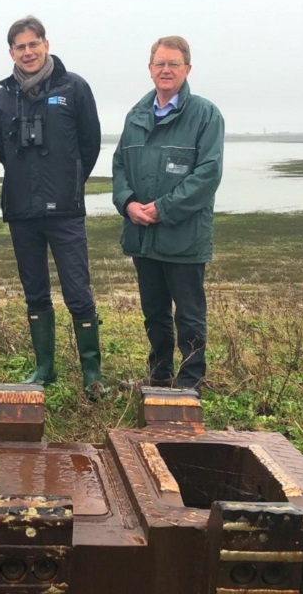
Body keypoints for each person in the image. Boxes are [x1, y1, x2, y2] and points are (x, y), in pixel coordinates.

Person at [0, 15, 106, 400]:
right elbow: (6, 153)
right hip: (22, 210)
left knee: (78, 292)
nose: (27, 52)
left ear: (46, 44)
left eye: (33, 44)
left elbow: (89, 146)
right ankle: (45, 368)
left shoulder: (74, 88)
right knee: (35, 292)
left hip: (65, 211)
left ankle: (92, 373)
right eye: (20, 47)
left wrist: (68, 182)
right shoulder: (3, 97)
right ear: (11, 52)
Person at [112, 36, 224, 391]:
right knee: (154, 313)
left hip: (183, 236)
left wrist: (163, 209)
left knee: (189, 315)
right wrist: (127, 202)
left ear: (187, 69)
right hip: (143, 235)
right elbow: (119, 166)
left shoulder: (206, 115)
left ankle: (190, 381)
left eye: (174, 64)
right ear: (150, 69)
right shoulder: (136, 115)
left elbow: (208, 174)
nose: (166, 70)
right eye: (160, 63)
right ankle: (159, 375)